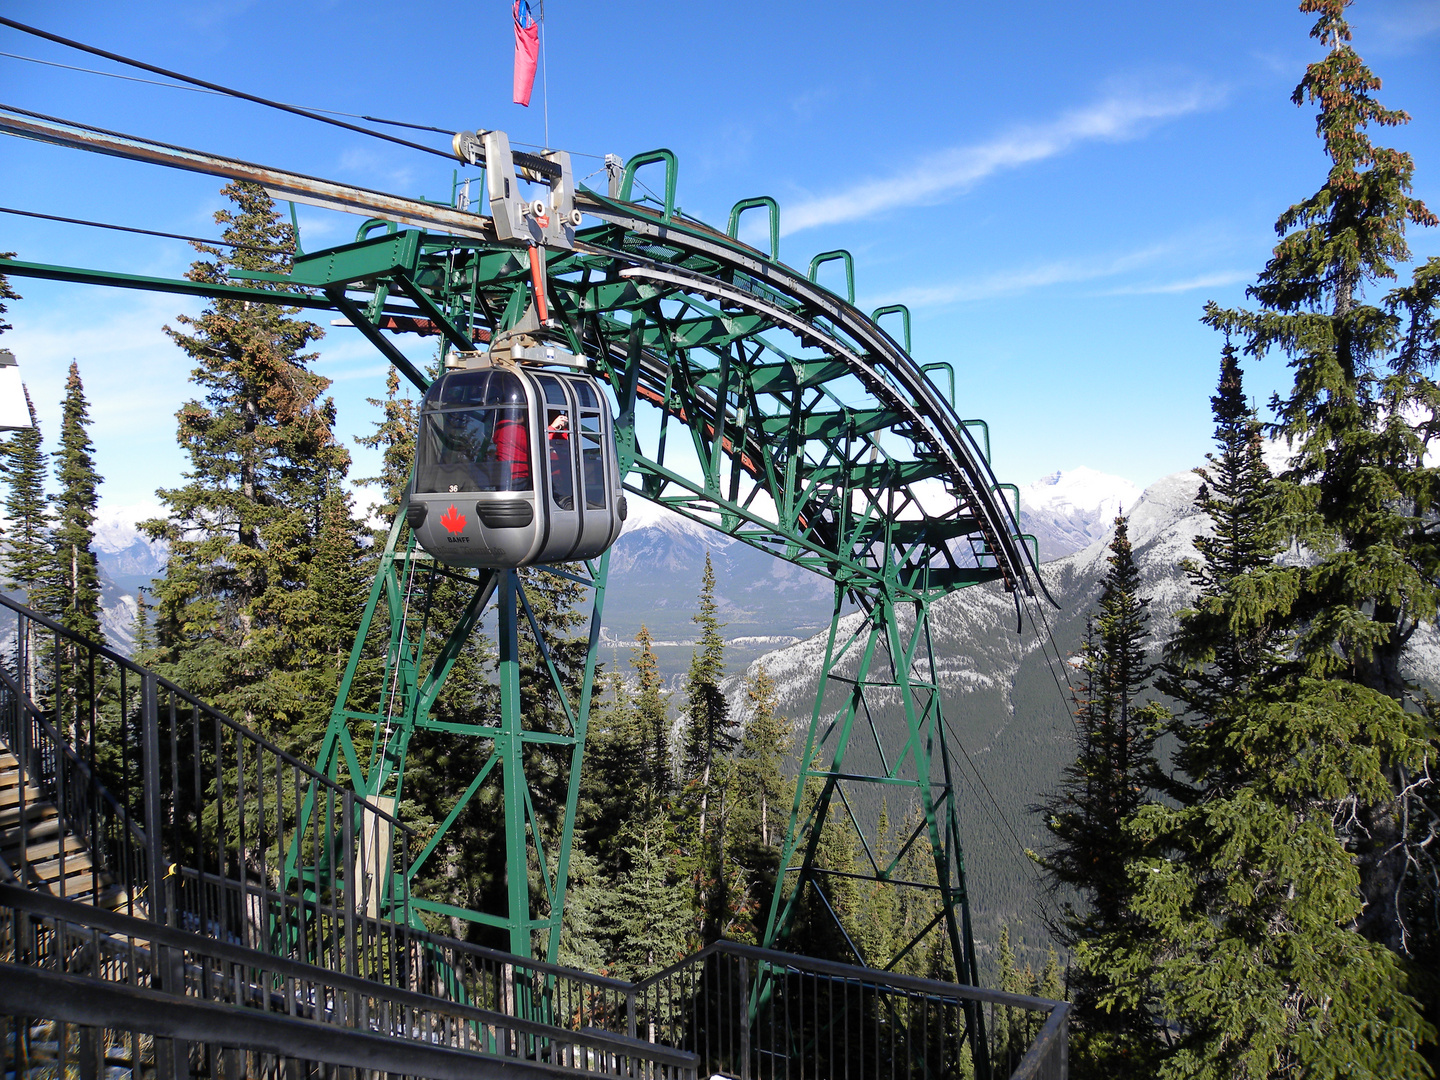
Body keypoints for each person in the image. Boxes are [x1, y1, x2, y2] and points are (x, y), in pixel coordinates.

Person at [492, 409, 530, 490]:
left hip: (504, 476)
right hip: (518, 475)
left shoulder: (501, 429)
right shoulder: (514, 429)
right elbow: (533, 447)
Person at [547, 410, 574, 509]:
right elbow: (540, 445)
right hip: (552, 482)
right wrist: (552, 428)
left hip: (564, 480)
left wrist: (562, 429)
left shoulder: (563, 436)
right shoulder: (546, 435)